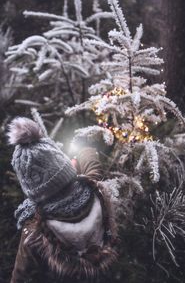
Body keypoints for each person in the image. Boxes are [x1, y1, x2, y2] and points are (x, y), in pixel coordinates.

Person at [8, 117, 118, 283]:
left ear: (31, 187)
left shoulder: (34, 232)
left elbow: (22, 277)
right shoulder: (95, 191)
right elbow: (93, 169)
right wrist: (84, 148)